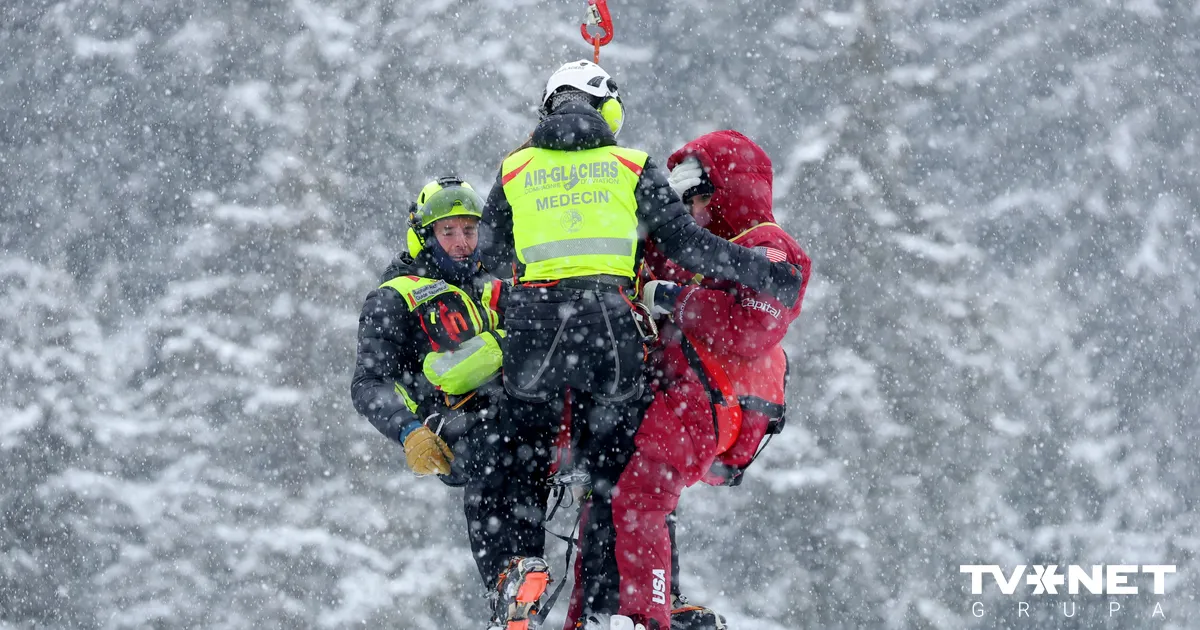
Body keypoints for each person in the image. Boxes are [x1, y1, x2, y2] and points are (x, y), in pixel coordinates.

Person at [477, 60, 806, 630]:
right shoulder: (630, 166)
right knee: (620, 478)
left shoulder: (515, 168)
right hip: (611, 338)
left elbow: (487, 257)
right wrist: (753, 271)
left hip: (536, 339)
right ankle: (628, 606)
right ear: (608, 112)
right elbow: (683, 242)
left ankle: (520, 566)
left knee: (514, 447)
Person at [565, 130, 812, 630]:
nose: (694, 214)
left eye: (701, 200)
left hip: (710, 398)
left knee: (640, 495)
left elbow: (751, 326)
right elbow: (647, 257)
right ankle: (597, 613)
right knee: (609, 491)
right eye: (687, 203)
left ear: (729, 193)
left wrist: (675, 300)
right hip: (674, 392)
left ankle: (644, 613)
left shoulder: (768, 246)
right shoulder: (698, 250)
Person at [351, 176, 551, 630]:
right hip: (455, 421)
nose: (462, 243)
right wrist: (408, 429)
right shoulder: (395, 297)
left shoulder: (495, 286)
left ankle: (587, 593)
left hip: (523, 415)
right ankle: (506, 576)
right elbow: (368, 382)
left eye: (470, 230)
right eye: (448, 232)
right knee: (496, 441)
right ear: (424, 236)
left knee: (608, 444)